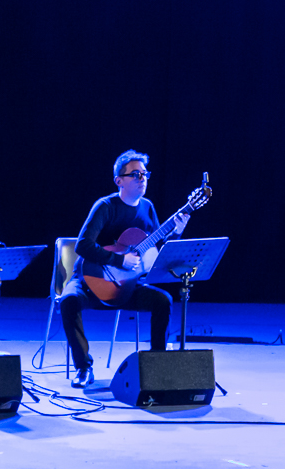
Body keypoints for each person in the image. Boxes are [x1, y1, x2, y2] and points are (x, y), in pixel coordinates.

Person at [60, 150, 189, 388]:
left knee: (163, 301)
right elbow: (83, 245)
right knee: (68, 301)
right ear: (119, 180)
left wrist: (177, 231)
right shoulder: (106, 207)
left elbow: (157, 246)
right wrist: (119, 261)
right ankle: (83, 367)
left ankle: (157, 366)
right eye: (135, 174)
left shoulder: (148, 207)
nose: (142, 178)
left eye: (145, 174)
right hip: (91, 279)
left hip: (126, 285)